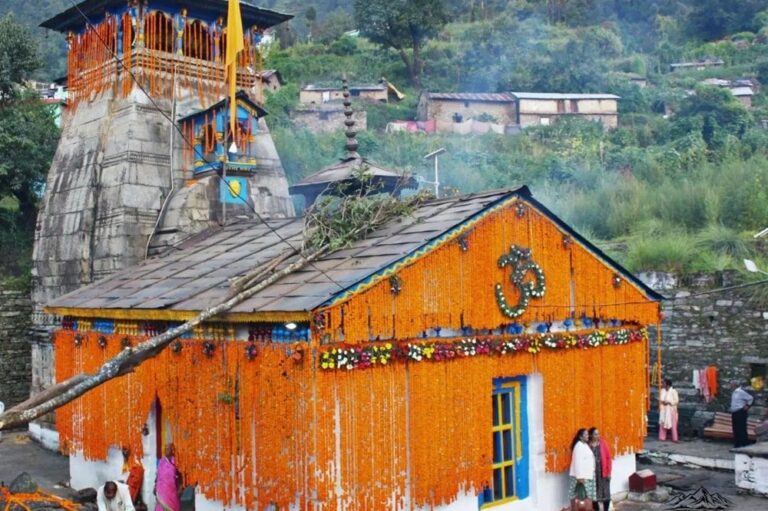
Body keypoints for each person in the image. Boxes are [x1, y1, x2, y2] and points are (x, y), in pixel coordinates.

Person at [569, 428, 596, 504]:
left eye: (588, 434)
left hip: (586, 475)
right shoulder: (578, 446)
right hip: (581, 477)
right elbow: (577, 462)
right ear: (580, 437)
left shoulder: (584, 445)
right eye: (586, 434)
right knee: (580, 498)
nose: (588, 436)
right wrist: (580, 477)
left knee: (585, 498)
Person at [588, 427, 612, 511]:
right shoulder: (588, 445)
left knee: (606, 493)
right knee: (594, 494)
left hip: (603, 472)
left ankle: (606, 509)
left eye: (598, 434)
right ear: (590, 435)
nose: (598, 435)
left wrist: (609, 472)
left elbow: (608, 458)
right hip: (593, 474)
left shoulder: (603, 443)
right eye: (595, 434)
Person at [155, 444, 181, 511]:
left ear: (172, 450)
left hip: (172, 491)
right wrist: (155, 486)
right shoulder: (161, 462)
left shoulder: (176, 462)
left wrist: (181, 488)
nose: (166, 450)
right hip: (161, 491)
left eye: (168, 448)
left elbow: (180, 475)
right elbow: (158, 476)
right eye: (165, 448)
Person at [730, 381, 754, 448]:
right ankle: (737, 443)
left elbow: (750, 398)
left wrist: (747, 406)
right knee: (735, 428)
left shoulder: (740, 392)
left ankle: (744, 443)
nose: (730, 386)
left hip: (740, 412)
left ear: (734, 385)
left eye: (731, 385)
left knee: (741, 428)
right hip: (734, 412)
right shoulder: (734, 392)